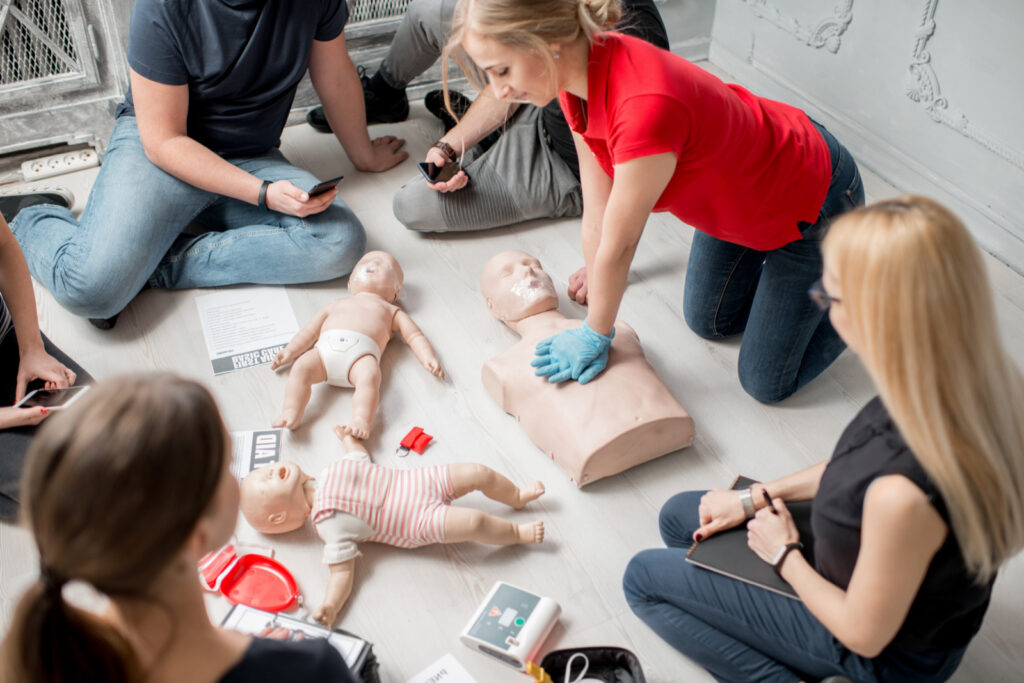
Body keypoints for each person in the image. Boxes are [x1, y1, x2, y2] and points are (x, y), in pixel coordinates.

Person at [622, 197, 1024, 682]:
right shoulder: (964, 380)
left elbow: (863, 634)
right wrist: (753, 499)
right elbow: (855, 465)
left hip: (883, 652)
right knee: (680, 517)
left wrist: (784, 554)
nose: (824, 307)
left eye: (828, 297)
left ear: (876, 314)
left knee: (643, 578)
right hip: (870, 560)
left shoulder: (904, 494)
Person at [447, 0, 864, 402]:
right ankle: (793, 290)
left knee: (765, 383)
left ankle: (876, 297)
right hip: (742, 198)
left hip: (812, 202)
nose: (499, 91)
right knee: (711, 322)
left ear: (546, 39)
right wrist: (596, 288)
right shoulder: (574, 83)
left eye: (501, 71)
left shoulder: (644, 107)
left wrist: (598, 331)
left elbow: (622, 243)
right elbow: (599, 213)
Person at [4, 0, 408, 330]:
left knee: (339, 241)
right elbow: (163, 140)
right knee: (88, 290)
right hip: (162, 151)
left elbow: (335, 76)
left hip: (251, 155)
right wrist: (262, 194)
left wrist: (364, 155)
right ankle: (29, 216)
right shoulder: (162, 7)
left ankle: (150, 269)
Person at [0, 373, 358, 682]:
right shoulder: (314, 669)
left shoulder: (57, 664)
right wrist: (271, 663)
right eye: (227, 463)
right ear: (198, 537)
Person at [307, 0, 668, 233]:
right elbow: (511, 83)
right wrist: (448, 147)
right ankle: (387, 96)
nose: (496, 85)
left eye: (500, 71)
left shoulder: (611, 62)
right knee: (434, 9)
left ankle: (492, 143)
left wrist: (600, 263)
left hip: (571, 164)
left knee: (412, 204)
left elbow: (619, 193)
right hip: (537, 89)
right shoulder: (542, 52)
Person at [240, 431, 545, 626]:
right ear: (279, 518)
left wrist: (348, 438)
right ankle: (516, 535)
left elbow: (359, 457)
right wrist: (330, 605)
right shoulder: (327, 525)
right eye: (265, 480)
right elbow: (342, 573)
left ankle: (515, 496)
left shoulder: (331, 469)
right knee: (475, 522)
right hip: (413, 519)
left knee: (477, 472)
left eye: (264, 469)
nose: (269, 469)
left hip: (417, 481)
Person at [480, 250, 694, 486]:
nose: (527, 270)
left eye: (534, 264)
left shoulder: (619, 329)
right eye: (507, 274)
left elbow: (619, 240)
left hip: (673, 423)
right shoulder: (501, 368)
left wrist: (596, 333)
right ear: (492, 307)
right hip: (594, 454)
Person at [270, 251, 444, 439]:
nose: (373, 263)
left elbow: (415, 336)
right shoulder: (335, 304)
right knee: (301, 368)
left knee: (369, 378)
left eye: (384, 264)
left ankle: (361, 419)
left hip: (360, 358)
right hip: (323, 352)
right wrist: (290, 350)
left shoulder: (391, 311)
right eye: (366, 261)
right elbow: (309, 332)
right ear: (350, 283)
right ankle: (291, 411)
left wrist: (429, 357)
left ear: (396, 291)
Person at [0, 211, 90, 522]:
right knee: (65, 499)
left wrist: (31, 347)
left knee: (118, 434)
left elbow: (4, 246)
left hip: (7, 347)